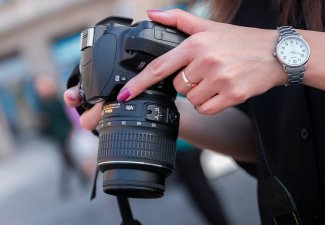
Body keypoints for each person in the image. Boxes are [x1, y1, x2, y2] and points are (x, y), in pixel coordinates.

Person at [64, 1, 325, 224]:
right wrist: (150, 104)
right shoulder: (234, 5)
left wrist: (281, 53)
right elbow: (264, 137)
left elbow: (275, 58)